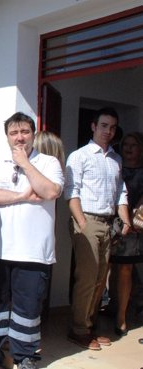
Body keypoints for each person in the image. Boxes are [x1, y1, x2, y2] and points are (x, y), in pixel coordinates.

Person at [0, 113, 63, 369]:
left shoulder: (48, 162)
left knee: (28, 310)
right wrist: (23, 196)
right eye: (14, 132)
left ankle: (26, 359)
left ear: (33, 133)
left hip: (33, 252)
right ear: (7, 136)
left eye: (24, 131)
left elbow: (50, 191)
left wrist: (25, 164)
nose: (19, 137)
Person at [64, 107, 131, 350]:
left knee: (101, 278)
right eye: (104, 125)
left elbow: (120, 192)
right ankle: (78, 329)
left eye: (112, 127)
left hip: (107, 222)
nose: (108, 131)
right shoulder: (79, 156)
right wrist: (81, 222)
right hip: (87, 220)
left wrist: (124, 219)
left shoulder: (115, 159)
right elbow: (71, 191)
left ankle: (88, 326)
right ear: (93, 126)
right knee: (88, 276)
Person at [109, 132, 143, 336]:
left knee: (125, 270)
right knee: (105, 269)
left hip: (135, 225)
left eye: (134, 145)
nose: (129, 148)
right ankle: (107, 309)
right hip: (112, 221)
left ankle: (121, 316)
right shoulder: (116, 166)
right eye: (126, 144)